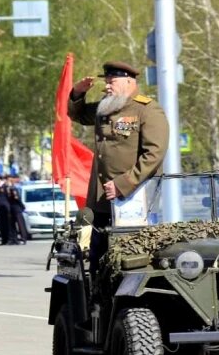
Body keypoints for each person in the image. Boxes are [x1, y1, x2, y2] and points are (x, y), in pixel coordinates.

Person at [68, 61, 169, 272]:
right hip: (102, 201)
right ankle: (98, 303)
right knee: (99, 259)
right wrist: (77, 93)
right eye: (106, 81)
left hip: (133, 200)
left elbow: (154, 154)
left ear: (128, 81)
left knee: (130, 260)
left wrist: (124, 184)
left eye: (111, 81)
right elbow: (77, 115)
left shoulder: (147, 110)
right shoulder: (107, 106)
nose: (106, 86)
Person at [0, 175, 11, 245]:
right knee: (1, 226)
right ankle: (3, 240)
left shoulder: (5, 187)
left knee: (6, 225)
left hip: (4, 209)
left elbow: (7, 198)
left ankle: (8, 239)